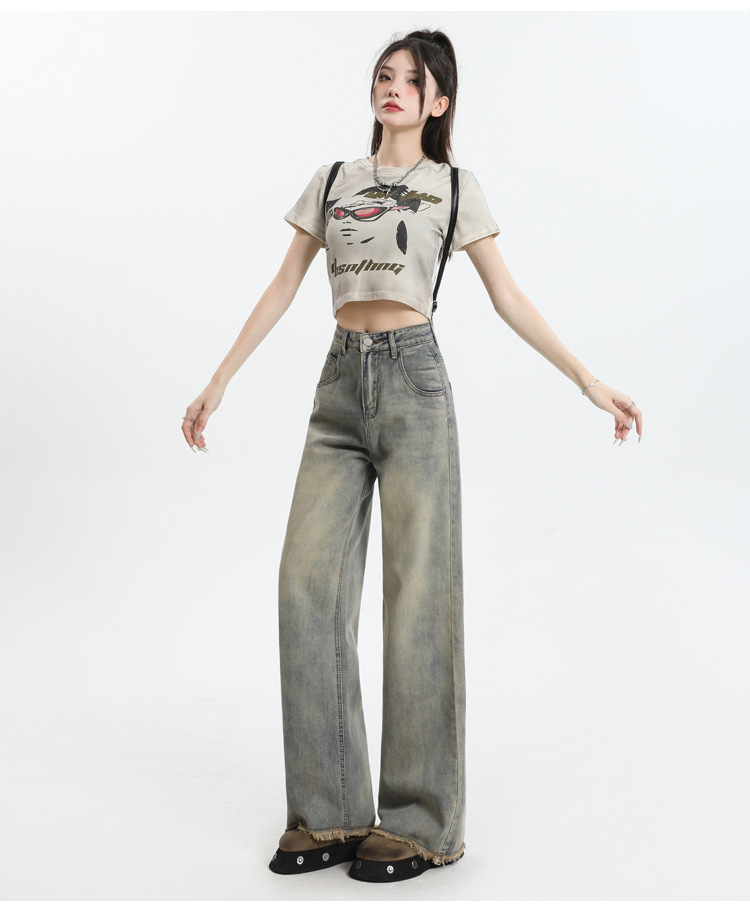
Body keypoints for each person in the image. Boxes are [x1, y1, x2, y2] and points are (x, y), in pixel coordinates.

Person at [181, 28, 643, 885]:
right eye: (384, 75)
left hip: (415, 384)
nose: (393, 87)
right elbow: (283, 285)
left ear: (439, 102)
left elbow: (507, 295)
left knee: (418, 596)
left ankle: (424, 823)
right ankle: (330, 810)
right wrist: (219, 380)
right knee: (305, 583)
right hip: (338, 387)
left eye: (412, 80)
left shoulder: (455, 187)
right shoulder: (333, 180)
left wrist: (589, 380)